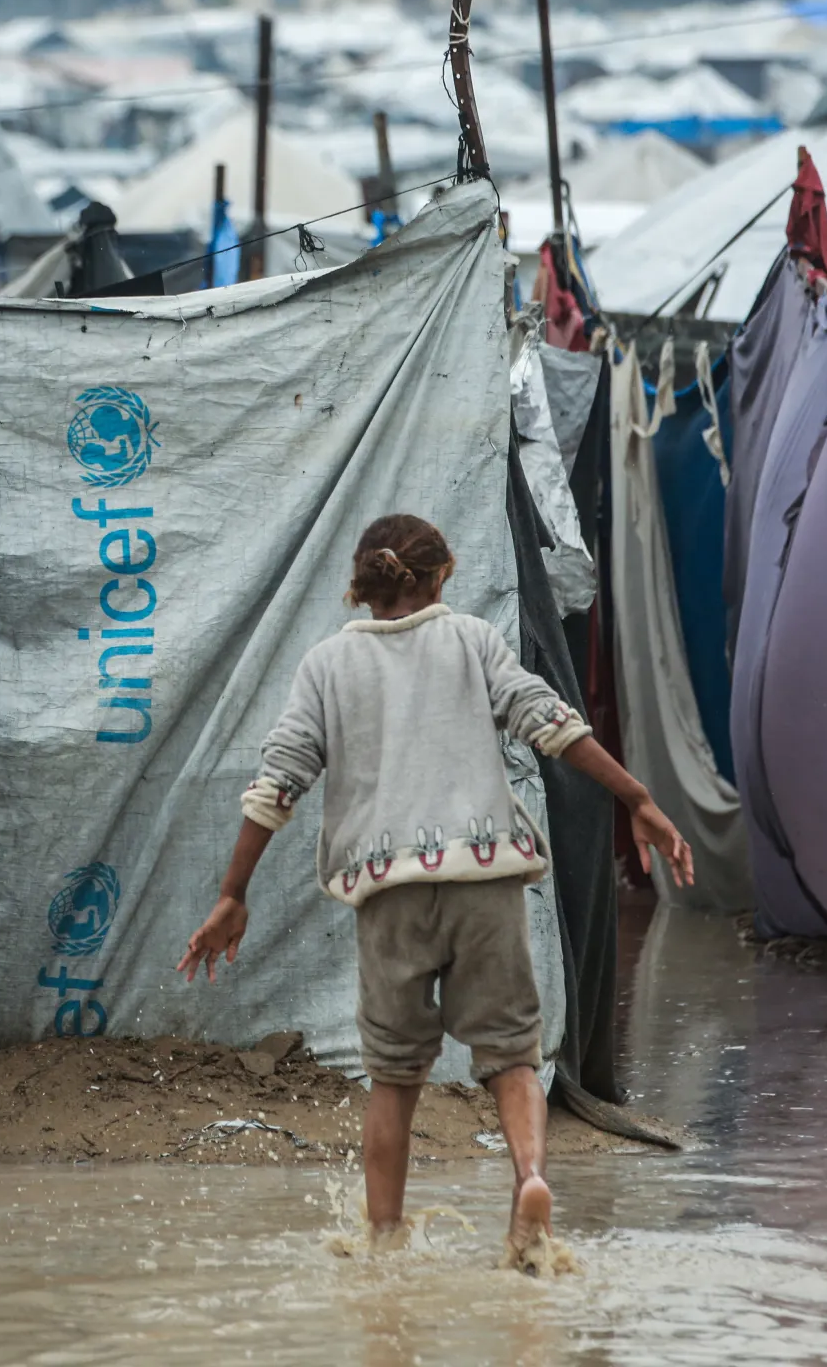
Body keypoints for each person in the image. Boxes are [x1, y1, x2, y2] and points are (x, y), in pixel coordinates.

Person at [178, 513, 691, 1267]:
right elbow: (551, 723)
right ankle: (530, 1183)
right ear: (440, 576)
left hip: (390, 895)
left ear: (362, 586)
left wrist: (233, 893)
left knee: (393, 1078)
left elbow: (276, 784)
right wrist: (637, 797)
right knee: (514, 1057)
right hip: (485, 881)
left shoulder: (326, 666)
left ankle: (382, 1246)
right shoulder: (473, 641)